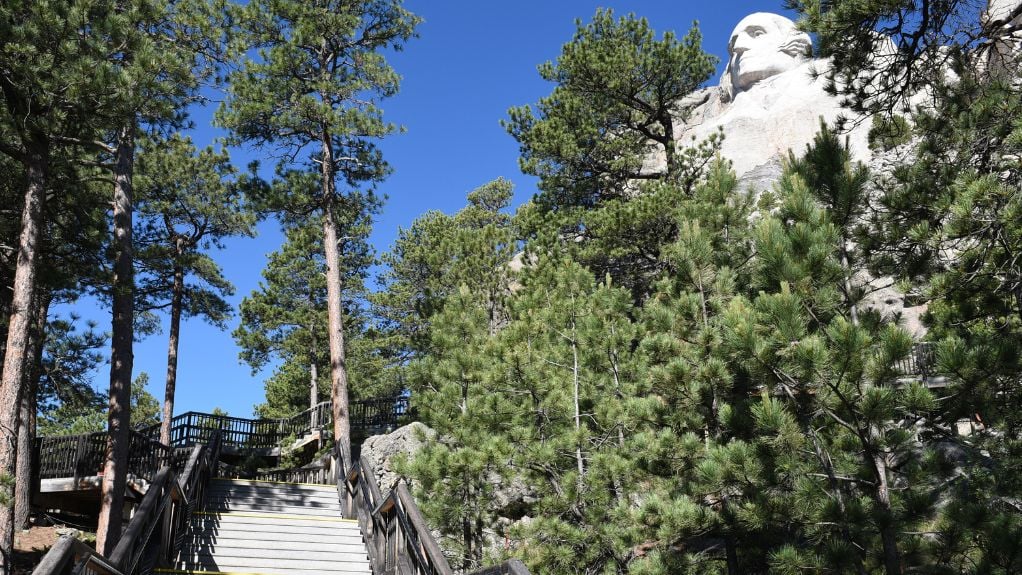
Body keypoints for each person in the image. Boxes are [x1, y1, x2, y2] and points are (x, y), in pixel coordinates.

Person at [720, 12, 812, 101]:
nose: (737, 47)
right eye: (733, 45)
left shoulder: (818, 84)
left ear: (799, 43)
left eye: (757, 34)